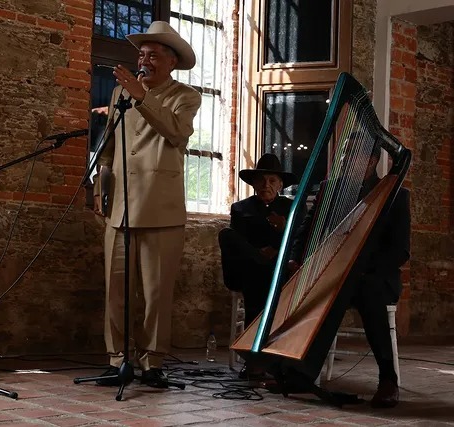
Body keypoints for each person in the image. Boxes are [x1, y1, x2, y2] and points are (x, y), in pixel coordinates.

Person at [92, 21, 201, 388]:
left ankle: (152, 363)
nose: (144, 61)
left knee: (155, 293)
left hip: (160, 207)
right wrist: (100, 187)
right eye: (142, 55)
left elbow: (177, 132)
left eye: (153, 55)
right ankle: (117, 359)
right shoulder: (119, 94)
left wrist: (142, 96)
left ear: (172, 62)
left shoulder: (186, 96)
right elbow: (108, 147)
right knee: (116, 290)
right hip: (121, 207)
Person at [288, 142, 410, 408]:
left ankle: (388, 379)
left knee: (367, 289)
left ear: (371, 161)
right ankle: (299, 370)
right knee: (317, 289)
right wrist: (295, 258)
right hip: (335, 275)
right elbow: (306, 230)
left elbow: (400, 252)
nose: (342, 160)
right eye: (342, 154)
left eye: (349, 155)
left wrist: (361, 267)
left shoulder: (395, 195)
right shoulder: (330, 190)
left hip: (376, 277)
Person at [218, 153, 298, 379]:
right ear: (253, 183)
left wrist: (282, 231)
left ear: (280, 184)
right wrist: (259, 252)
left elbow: (297, 241)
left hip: (278, 271)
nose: (266, 185)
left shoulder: (291, 207)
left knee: (263, 282)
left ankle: (258, 360)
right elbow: (240, 243)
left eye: (272, 180)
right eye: (261, 180)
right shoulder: (240, 208)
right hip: (248, 269)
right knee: (227, 235)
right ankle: (255, 359)